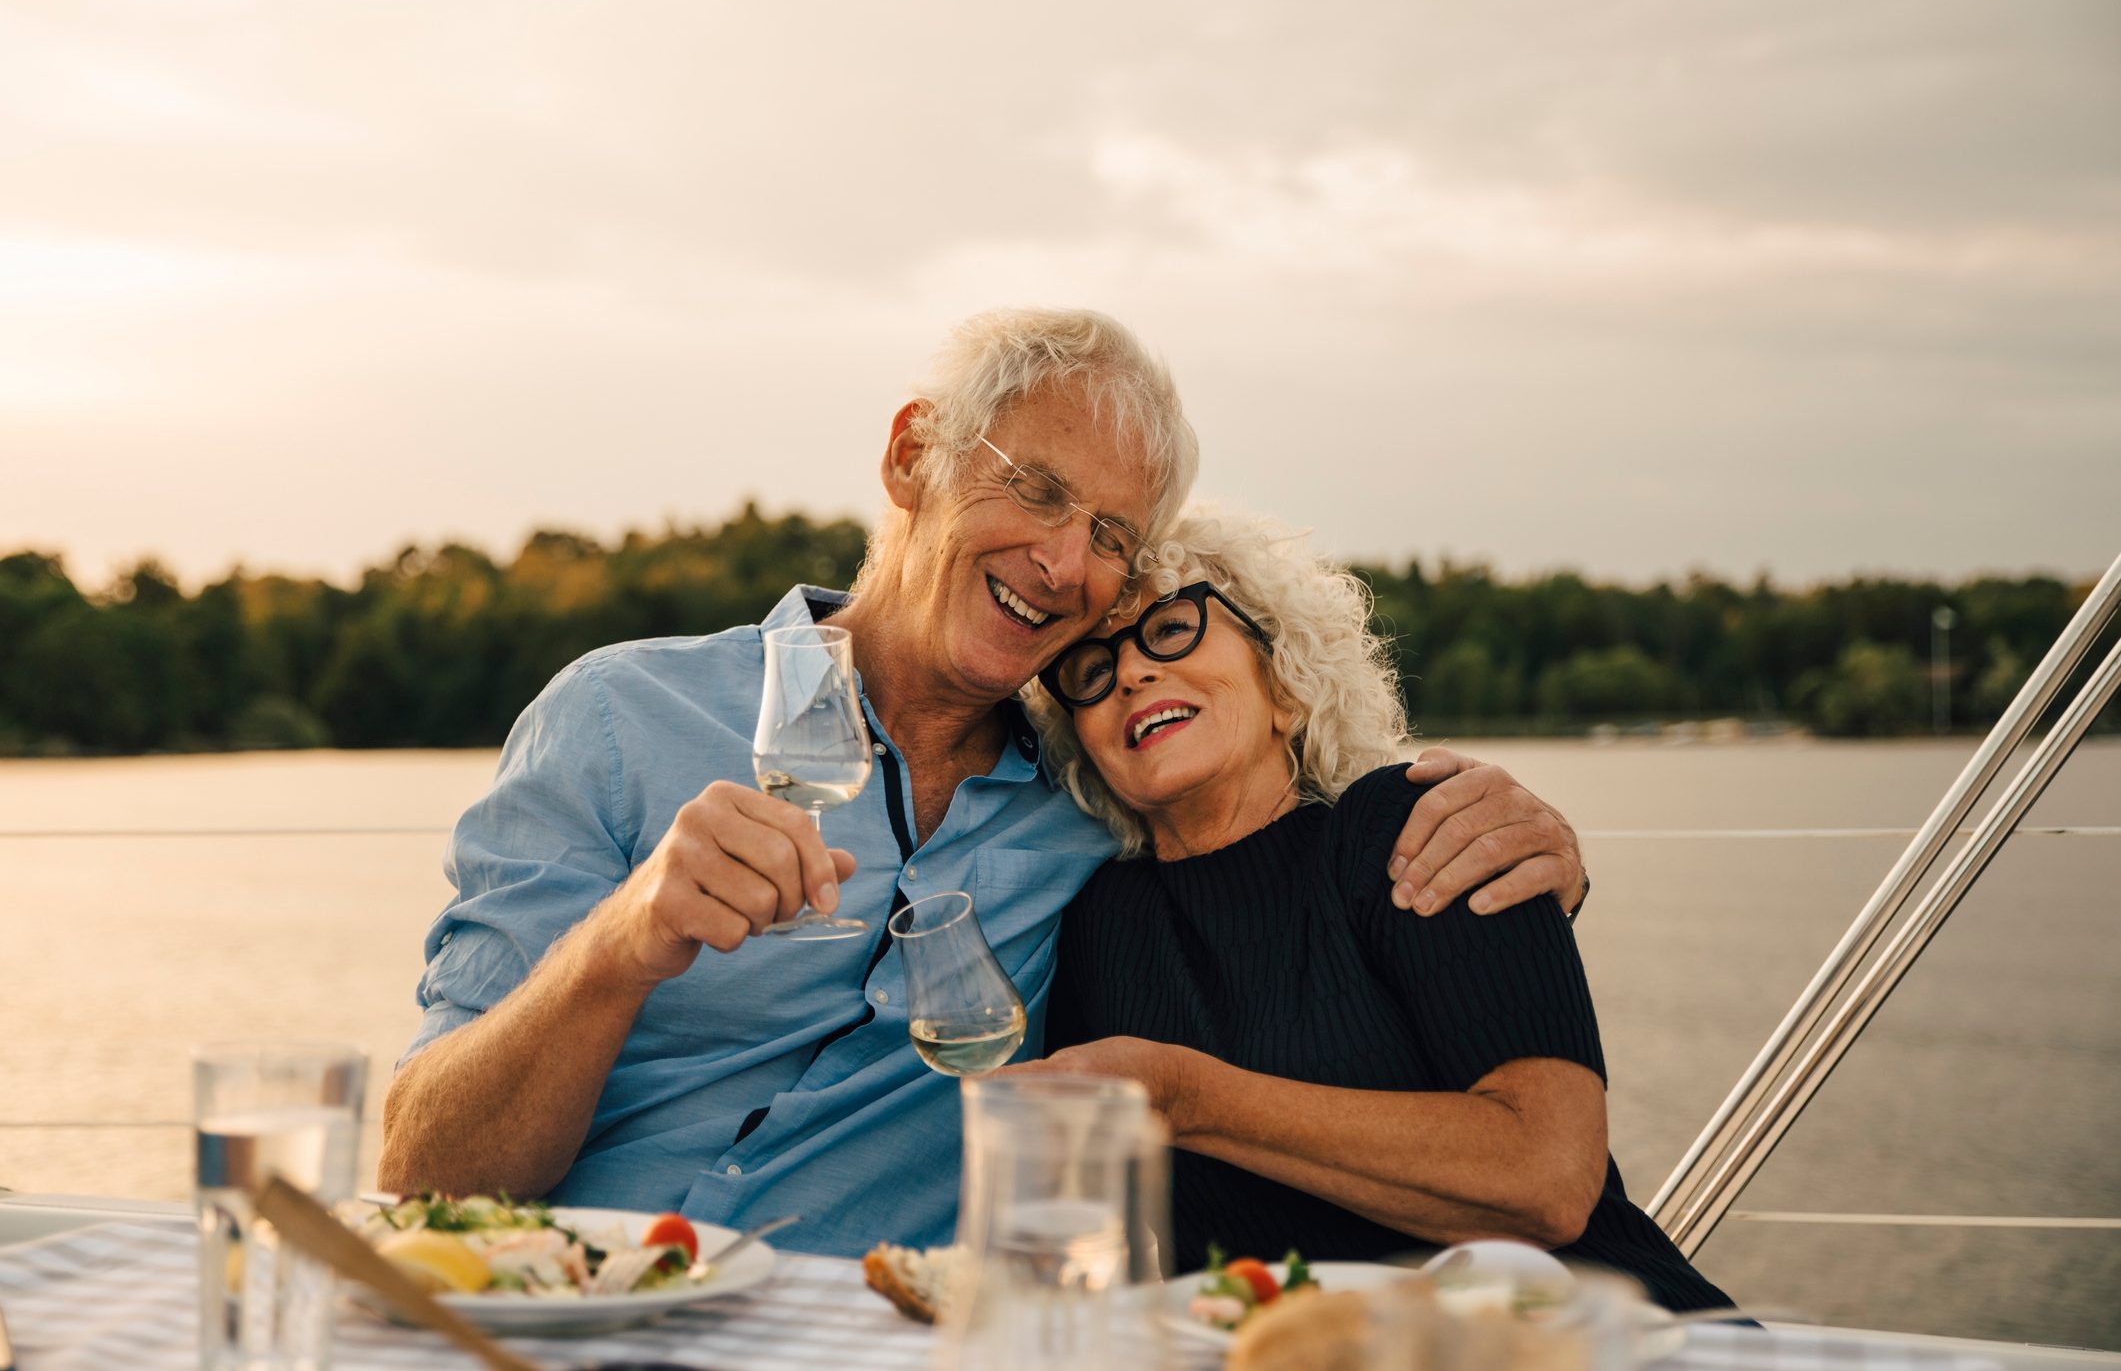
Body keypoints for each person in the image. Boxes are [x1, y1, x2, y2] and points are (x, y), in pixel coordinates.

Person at [377, 308, 1590, 1256]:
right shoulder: (614, 716)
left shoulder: (1096, 809)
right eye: (1039, 489)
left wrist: (1525, 852)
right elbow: (420, 1172)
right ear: (914, 456)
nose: (1065, 563)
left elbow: (1275, 836)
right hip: (567, 1308)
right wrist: (620, 946)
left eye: (1113, 537)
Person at [1023, 507, 1731, 1310]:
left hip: (1596, 1339)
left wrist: (1189, 1098)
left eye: (1173, 627)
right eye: (1088, 668)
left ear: (1283, 683)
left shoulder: (1410, 826)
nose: (1129, 672)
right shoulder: (1091, 925)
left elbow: (1547, 1177)